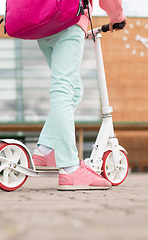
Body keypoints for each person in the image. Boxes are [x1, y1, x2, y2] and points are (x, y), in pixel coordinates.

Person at [31, 0, 126, 190]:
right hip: (69, 19)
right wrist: (117, 17)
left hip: (43, 23)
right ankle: (71, 169)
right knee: (63, 90)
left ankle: (46, 149)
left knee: (74, 90)